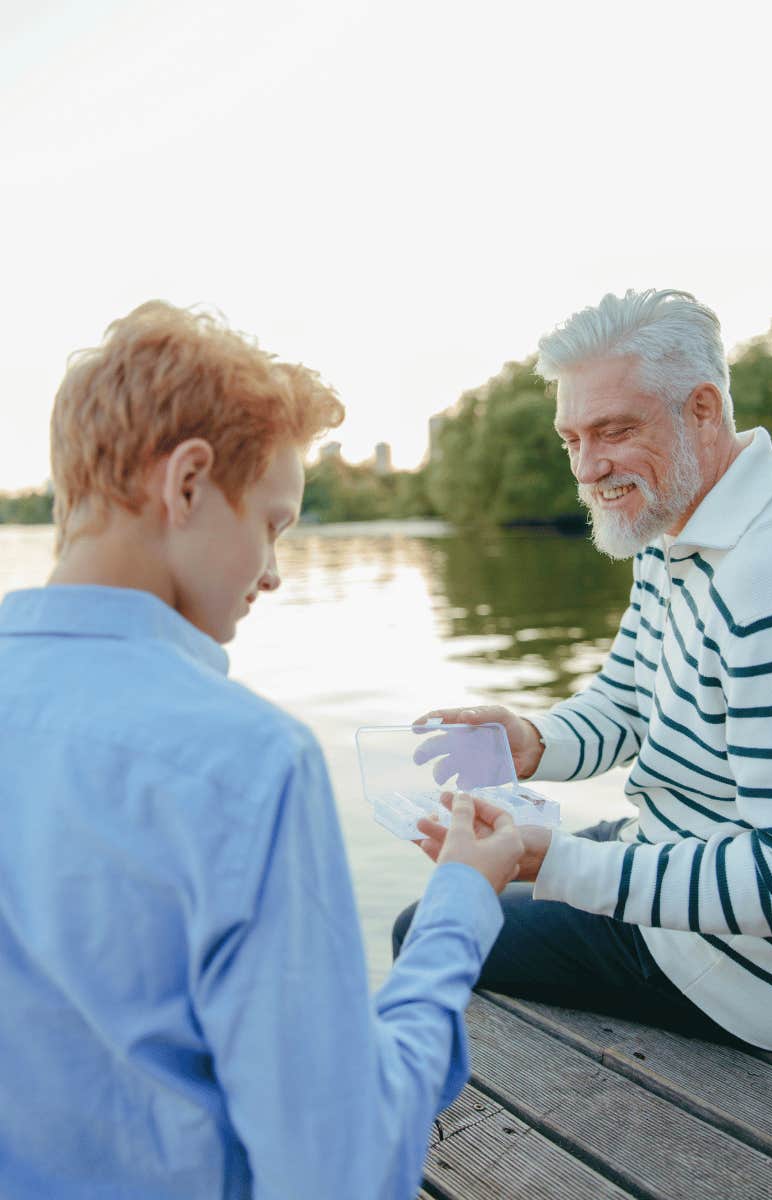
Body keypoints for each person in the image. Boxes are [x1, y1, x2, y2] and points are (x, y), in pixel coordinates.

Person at [0, 301, 524, 1200]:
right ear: (189, 483)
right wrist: (460, 906)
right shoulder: (247, 761)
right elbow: (341, 1170)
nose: (275, 572)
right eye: (274, 524)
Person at [394, 288, 772, 1054]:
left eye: (612, 431)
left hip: (759, 975)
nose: (586, 466)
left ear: (703, 409)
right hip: (676, 844)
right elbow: (630, 698)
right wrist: (533, 740)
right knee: (477, 868)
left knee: (430, 923)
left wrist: (562, 864)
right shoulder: (676, 526)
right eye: (570, 437)